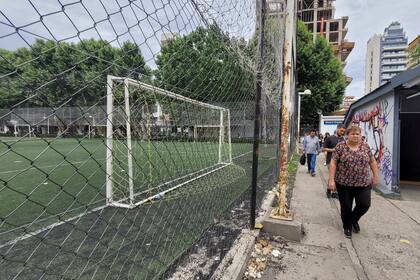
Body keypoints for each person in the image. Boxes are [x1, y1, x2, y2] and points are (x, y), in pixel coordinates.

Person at [328, 126, 379, 239]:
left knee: (364, 204)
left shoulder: (365, 147)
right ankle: (347, 226)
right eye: (353, 134)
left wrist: (375, 176)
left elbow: (372, 161)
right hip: (344, 183)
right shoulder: (341, 147)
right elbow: (333, 163)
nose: (355, 136)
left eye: (357, 134)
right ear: (348, 135)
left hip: (363, 183)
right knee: (346, 206)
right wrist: (331, 180)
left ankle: (353, 220)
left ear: (361, 136)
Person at [323, 124, 346, 198]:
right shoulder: (330, 138)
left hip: (340, 162)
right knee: (332, 176)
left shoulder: (344, 139)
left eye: (343, 131)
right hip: (330, 160)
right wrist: (333, 150)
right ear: (337, 129)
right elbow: (323, 149)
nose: (342, 132)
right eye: (341, 130)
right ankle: (329, 189)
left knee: (338, 177)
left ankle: (335, 192)